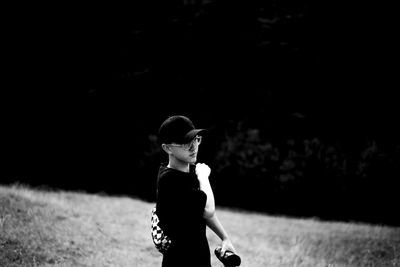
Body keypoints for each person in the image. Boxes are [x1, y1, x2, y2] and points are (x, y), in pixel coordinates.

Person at [155, 115, 237, 267]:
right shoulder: (169, 179)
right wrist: (204, 177)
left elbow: (201, 210)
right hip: (180, 259)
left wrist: (225, 238)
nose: (193, 146)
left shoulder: (190, 172)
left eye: (196, 139)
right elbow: (208, 210)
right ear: (167, 148)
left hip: (199, 255)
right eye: (185, 143)